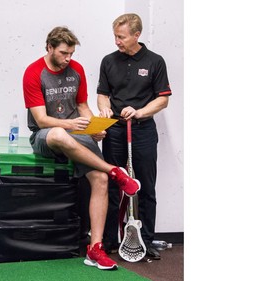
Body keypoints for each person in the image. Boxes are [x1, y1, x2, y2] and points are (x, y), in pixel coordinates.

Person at [22, 26, 141, 270]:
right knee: (58, 133)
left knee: (99, 179)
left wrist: (93, 126)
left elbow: (82, 105)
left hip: (76, 131)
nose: (68, 58)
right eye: (64, 53)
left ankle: (94, 248)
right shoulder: (33, 73)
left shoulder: (76, 70)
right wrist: (71, 124)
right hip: (47, 135)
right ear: (49, 48)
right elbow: (42, 119)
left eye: (71, 54)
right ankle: (115, 171)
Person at [97, 13, 172, 260]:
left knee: (145, 186)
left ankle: (147, 240)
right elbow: (103, 93)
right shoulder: (108, 61)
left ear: (136, 35)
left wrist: (139, 111)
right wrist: (104, 108)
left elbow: (162, 99)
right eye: (115, 36)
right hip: (115, 131)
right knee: (112, 185)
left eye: (121, 36)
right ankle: (108, 240)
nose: (117, 41)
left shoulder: (155, 61)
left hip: (142, 131)